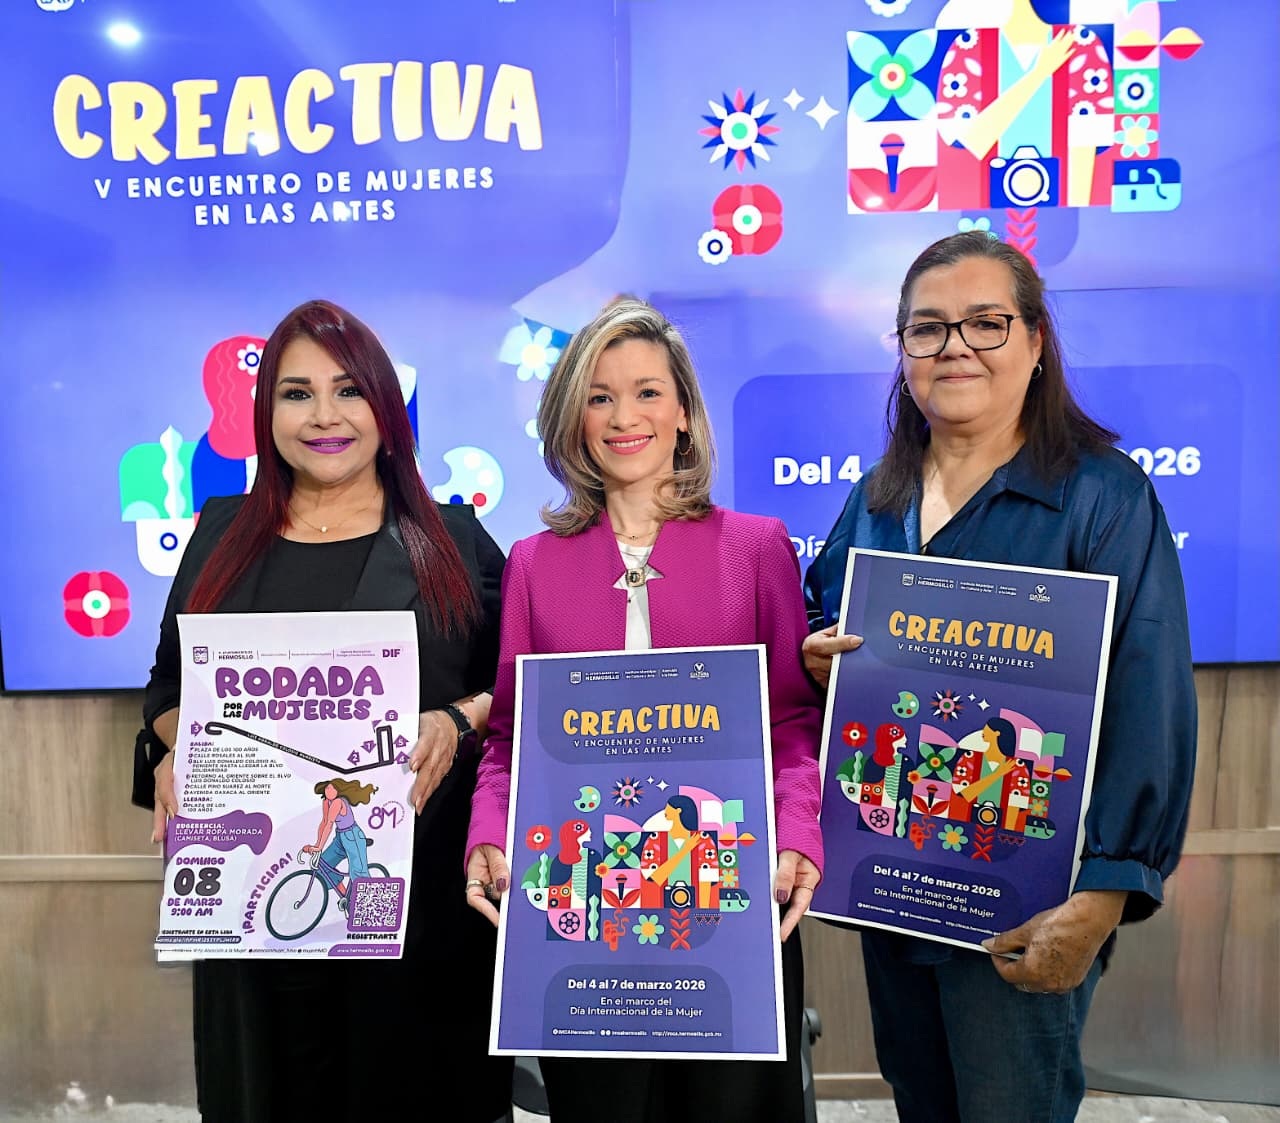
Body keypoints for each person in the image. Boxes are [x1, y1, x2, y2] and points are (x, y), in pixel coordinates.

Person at [802, 230, 1196, 1123]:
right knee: (923, 1102)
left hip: (1028, 896)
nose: (956, 348)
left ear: (1036, 340)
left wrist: (1105, 893)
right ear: (903, 350)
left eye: (985, 322)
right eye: (928, 328)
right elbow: (824, 621)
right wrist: (815, 655)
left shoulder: (1103, 497)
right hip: (895, 880)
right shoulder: (878, 499)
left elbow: (1149, 699)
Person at [142, 299, 512, 1123]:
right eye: (296, 393)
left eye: (348, 390)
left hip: (422, 898)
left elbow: (512, 687)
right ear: (265, 410)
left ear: (385, 406)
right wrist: (179, 748)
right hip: (252, 897)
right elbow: (168, 689)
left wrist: (455, 720)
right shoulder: (220, 532)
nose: (324, 416)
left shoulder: (453, 538)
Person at [463, 297, 824, 1123]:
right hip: (588, 905)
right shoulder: (532, 564)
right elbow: (512, 737)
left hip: (730, 894)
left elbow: (790, 724)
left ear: (685, 412)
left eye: (648, 392)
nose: (625, 416)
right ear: (575, 421)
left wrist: (799, 833)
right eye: (600, 397)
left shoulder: (756, 547)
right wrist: (489, 830)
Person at [303, 778, 377, 907]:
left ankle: (369, 905)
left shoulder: (338, 802)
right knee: (321, 865)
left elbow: (330, 824)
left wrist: (319, 847)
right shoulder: (326, 802)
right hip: (340, 837)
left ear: (339, 790)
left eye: (332, 788)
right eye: (327, 788)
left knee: (358, 874)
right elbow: (324, 823)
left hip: (353, 836)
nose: (328, 791)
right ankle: (346, 898)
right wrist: (317, 845)